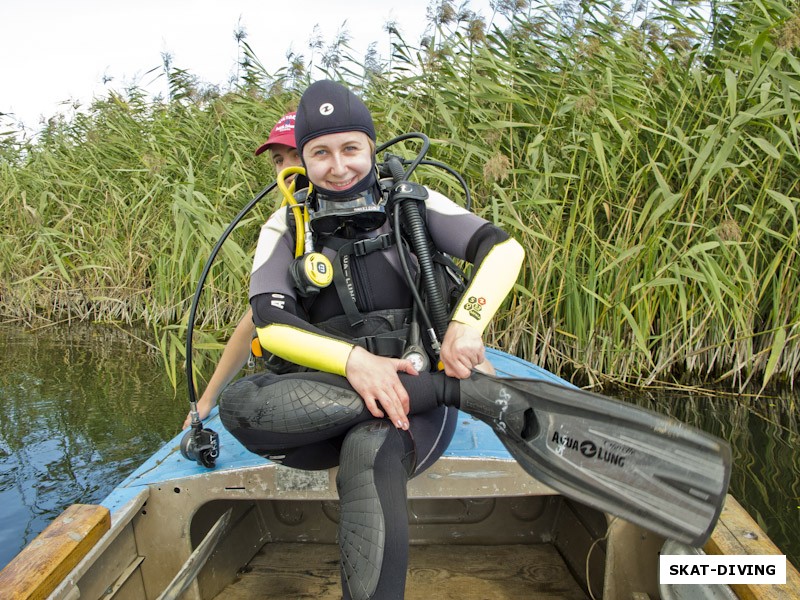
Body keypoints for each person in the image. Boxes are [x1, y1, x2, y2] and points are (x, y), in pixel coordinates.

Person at [218, 80, 526, 600]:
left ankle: (439, 394)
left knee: (368, 451)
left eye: (350, 148)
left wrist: (468, 322)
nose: (338, 166)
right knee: (238, 405)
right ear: (305, 160)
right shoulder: (284, 225)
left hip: (412, 417)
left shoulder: (411, 205)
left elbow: (504, 250)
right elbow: (269, 322)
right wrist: (357, 363)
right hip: (321, 405)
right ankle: (457, 390)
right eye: (320, 153)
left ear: (370, 146)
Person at [182, 112, 301, 429]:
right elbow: (253, 319)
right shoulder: (284, 226)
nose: (287, 168)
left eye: (297, 154)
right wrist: (206, 400)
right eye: (279, 160)